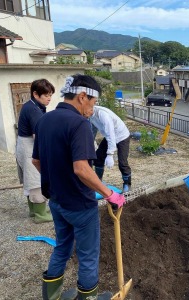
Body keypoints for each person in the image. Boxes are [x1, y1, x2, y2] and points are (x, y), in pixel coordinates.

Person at [32, 74, 125, 300]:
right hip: (80, 205)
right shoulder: (79, 124)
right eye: (92, 104)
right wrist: (110, 193)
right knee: (88, 255)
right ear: (83, 97)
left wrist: (57, 179)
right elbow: (82, 169)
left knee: (62, 246)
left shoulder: (45, 119)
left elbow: (36, 161)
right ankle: (88, 297)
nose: (92, 110)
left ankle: (51, 296)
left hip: (56, 201)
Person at [15, 79, 54, 223]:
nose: (49, 98)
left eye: (50, 95)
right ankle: (40, 214)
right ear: (35, 94)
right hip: (29, 146)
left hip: (24, 144)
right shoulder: (33, 109)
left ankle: (34, 210)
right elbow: (38, 135)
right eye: (46, 95)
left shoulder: (35, 106)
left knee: (29, 179)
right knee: (36, 179)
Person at [87, 105, 132, 193]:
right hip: (109, 136)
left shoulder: (103, 115)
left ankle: (127, 184)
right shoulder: (89, 115)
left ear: (90, 108)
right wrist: (89, 145)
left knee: (122, 162)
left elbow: (111, 134)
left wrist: (110, 154)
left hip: (122, 136)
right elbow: (93, 130)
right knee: (99, 157)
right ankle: (98, 181)